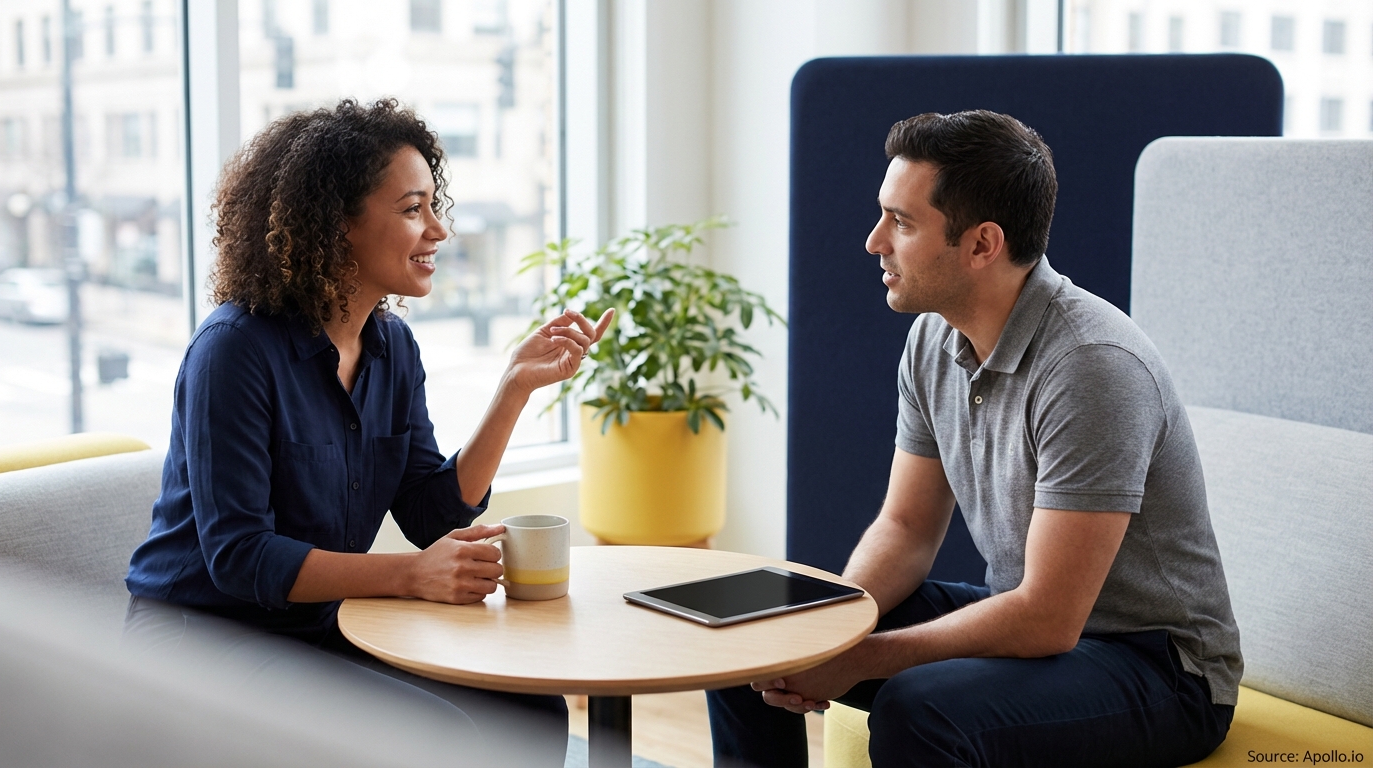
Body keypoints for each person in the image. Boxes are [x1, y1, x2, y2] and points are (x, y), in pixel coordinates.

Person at [706, 110, 1242, 767]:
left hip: (1160, 668)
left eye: (901, 222)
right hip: (1034, 623)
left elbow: (1048, 617)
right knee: (754, 635)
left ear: (983, 244)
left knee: (920, 709)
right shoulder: (933, 339)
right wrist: (826, 637)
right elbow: (904, 527)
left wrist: (861, 659)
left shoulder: (1093, 365)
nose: (875, 241)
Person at [124, 98, 611, 767]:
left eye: (435, 206)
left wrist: (513, 389)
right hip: (203, 637)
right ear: (336, 226)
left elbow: (428, 511)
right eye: (413, 210)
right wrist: (414, 577)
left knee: (525, 710)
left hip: (319, 624)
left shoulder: (391, 347)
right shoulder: (234, 351)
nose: (438, 230)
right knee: (431, 733)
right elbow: (239, 557)